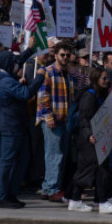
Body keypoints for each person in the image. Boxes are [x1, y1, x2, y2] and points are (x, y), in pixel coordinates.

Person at [0, 49, 45, 208]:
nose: (17, 66)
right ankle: (1, 196)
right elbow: (25, 94)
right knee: (7, 162)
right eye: (14, 63)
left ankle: (11, 193)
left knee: (22, 159)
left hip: (18, 125)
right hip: (11, 126)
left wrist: (29, 49)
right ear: (8, 65)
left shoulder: (7, 77)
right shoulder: (5, 80)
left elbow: (17, 64)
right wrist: (40, 76)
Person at [66, 66, 112, 214]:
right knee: (96, 169)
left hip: (94, 137)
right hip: (89, 139)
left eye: (107, 78)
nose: (106, 81)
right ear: (96, 79)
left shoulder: (98, 94)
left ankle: (76, 200)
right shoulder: (89, 96)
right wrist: (89, 134)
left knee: (89, 170)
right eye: (104, 78)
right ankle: (101, 202)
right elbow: (84, 118)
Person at [37, 40, 75, 202]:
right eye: (62, 54)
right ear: (56, 54)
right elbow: (42, 95)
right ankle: (52, 188)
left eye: (67, 55)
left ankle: (48, 187)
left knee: (60, 154)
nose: (65, 57)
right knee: (54, 155)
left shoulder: (68, 73)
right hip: (53, 119)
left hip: (64, 119)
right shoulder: (48, 71)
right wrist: (48, 116)